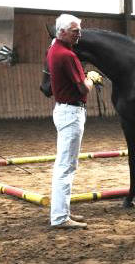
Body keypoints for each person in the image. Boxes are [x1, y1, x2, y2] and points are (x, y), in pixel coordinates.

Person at [48, 14, 102, 229]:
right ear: (61, 32)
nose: (79, 33)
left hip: (63, 110)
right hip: (71, 112)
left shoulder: (55, 48)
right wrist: (91, 78)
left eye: (79, 29)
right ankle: (60, 217)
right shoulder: (68, 55)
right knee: (66, 167)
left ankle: (63, 211)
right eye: (74, 30)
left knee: (65, 165)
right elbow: (82, 87)